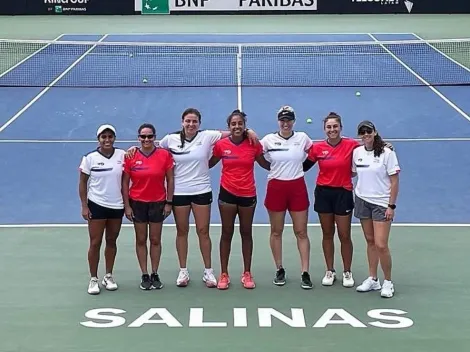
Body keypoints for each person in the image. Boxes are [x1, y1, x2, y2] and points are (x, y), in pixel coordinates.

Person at [126, 108, 258, 288]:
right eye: (188, 121)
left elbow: (235, 131)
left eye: (194, 121)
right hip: (179, 192)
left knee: (203, 231)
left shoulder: (208, 136)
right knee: (182, 231)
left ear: (199, 123)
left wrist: (249, 130)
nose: (191, 124)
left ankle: (208, 272)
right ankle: (183, 271)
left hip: (202, 190)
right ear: (182, 122)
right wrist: (134, 148)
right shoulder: (169, 140)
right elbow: (152, 149)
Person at [209, 110, 270, 290]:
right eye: (233, 124)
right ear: (229, 127)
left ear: (244, 126)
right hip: (227, 194)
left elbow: (265, 163)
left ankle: (247, 273)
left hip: (248, 194)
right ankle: (224, 274)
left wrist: (288, 164)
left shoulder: (253, 144)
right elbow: (209, 163)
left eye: (240, 124)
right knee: (226, 233)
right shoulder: (221, 145)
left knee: (246, 233)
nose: (237, 126)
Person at [303, 112, 358, 288]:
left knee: (344, 235)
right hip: (324, 193)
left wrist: (385, 146)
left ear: (340, 128)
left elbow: (370, 150)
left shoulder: (352, 145)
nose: (332, 130)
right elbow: (303, 166)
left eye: (335, 126)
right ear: (324, 129)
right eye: (329, 127)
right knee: (327, 234)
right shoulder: (318, 148)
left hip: (343, 193)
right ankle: (330, 270)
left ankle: (347, 271)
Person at [261, 105, 313, 289]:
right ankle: (279, 269)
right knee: (276, 231)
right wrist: (275, 170)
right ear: (278, 121)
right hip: (276, 187)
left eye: (289, 119)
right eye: (282, 120)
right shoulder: (268, 140)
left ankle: (305, 272)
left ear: (293, 121)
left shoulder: (302, 138)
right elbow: (257, 156)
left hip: (297, 187)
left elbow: (317, 152)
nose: (286, 123)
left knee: (301, 232)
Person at [122, 123, 175, 290]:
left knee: (155, 240)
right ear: (138, 138)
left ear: (154, 137)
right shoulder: (130, 156)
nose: (146, 139)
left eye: (149, 136)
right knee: (140, 239)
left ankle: (154, 272)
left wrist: (169, 202)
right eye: (143, 136)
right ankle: (144, 274)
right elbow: (124, 183)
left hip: (158, 202)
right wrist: (127, 206)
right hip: (137, 203)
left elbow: (170, 179)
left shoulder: (164, 155)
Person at [352, 120, 400, 298]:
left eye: (368, 131)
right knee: (370, 241)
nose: (366, 135)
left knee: (381, 244)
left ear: (374, 132)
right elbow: (352, 172)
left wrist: (391, 205)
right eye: (362, 132)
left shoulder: (387, 153)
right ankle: (373, 279)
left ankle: (388, 281)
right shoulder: (357, 152)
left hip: (381, 203)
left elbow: (394, 181)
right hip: (362, 200)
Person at [79, 124, 126, 295]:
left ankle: (108, 276)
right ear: (98, 139)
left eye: (110, 137)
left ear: (114, 138)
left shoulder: (123, 155)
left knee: (112, 241)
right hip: (96, 204)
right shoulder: (89, 158)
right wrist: (84, 206)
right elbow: (83, 182)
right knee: (95, 242)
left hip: (117, 205)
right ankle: (93, 279)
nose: (107, 140)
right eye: (103, 137)